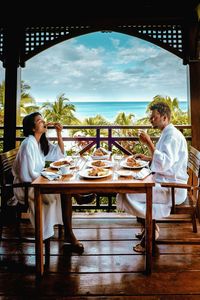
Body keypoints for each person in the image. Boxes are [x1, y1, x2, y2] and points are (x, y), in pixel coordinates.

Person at [12, 112, 95, 253]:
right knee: (64, 189)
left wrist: (59, 133)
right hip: (27, 188)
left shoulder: (39, 142)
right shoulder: (28, 144)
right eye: (39, 121)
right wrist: (49, 176)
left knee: (64, 187)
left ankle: (76, 202)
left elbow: (59, 154)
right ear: (32, 128)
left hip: (38, 181)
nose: (43, 122)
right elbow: (26, 175)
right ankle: (76, 204)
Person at [116, 102, 188, 253]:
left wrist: (149, 142)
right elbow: (167, 160)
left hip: (173, 188)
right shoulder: (167, 132)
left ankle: (150, 232)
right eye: (151, 117)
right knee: (132, 189)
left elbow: (165, 163)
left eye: (154, 117)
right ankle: (149, 227)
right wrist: (148, 158)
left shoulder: (172, 136)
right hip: (165, 180)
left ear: (164, 117)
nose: (151, 120)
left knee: (128, 193)